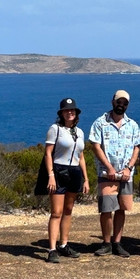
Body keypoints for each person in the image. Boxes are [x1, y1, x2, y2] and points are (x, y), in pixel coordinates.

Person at [89, 90, 140, 258]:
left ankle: (117, 243)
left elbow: (137, 147)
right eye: (119, 102)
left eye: (125, 103)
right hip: (107, 174)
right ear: (113, 102)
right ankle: (106, 243)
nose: (121, 105)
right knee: (106, 209)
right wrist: (109, 167)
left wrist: (129, 167)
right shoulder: (100, 123)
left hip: (126, 174)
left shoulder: (132, 124)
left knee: (121, 209)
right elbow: (96, 146)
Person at [44, 98, 90, 263]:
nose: (70, 112)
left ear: (76, 113)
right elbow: (48, 153)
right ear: (61, 113)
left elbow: (81, 156)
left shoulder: (80, 132)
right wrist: (51, 175)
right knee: (56, 212)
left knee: (68, 211)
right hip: (59, 170)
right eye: (66, 110)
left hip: (74, 172)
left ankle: (64, 244)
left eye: (73, 110)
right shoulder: (55, 129)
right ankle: (52, 249)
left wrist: (85, 179)